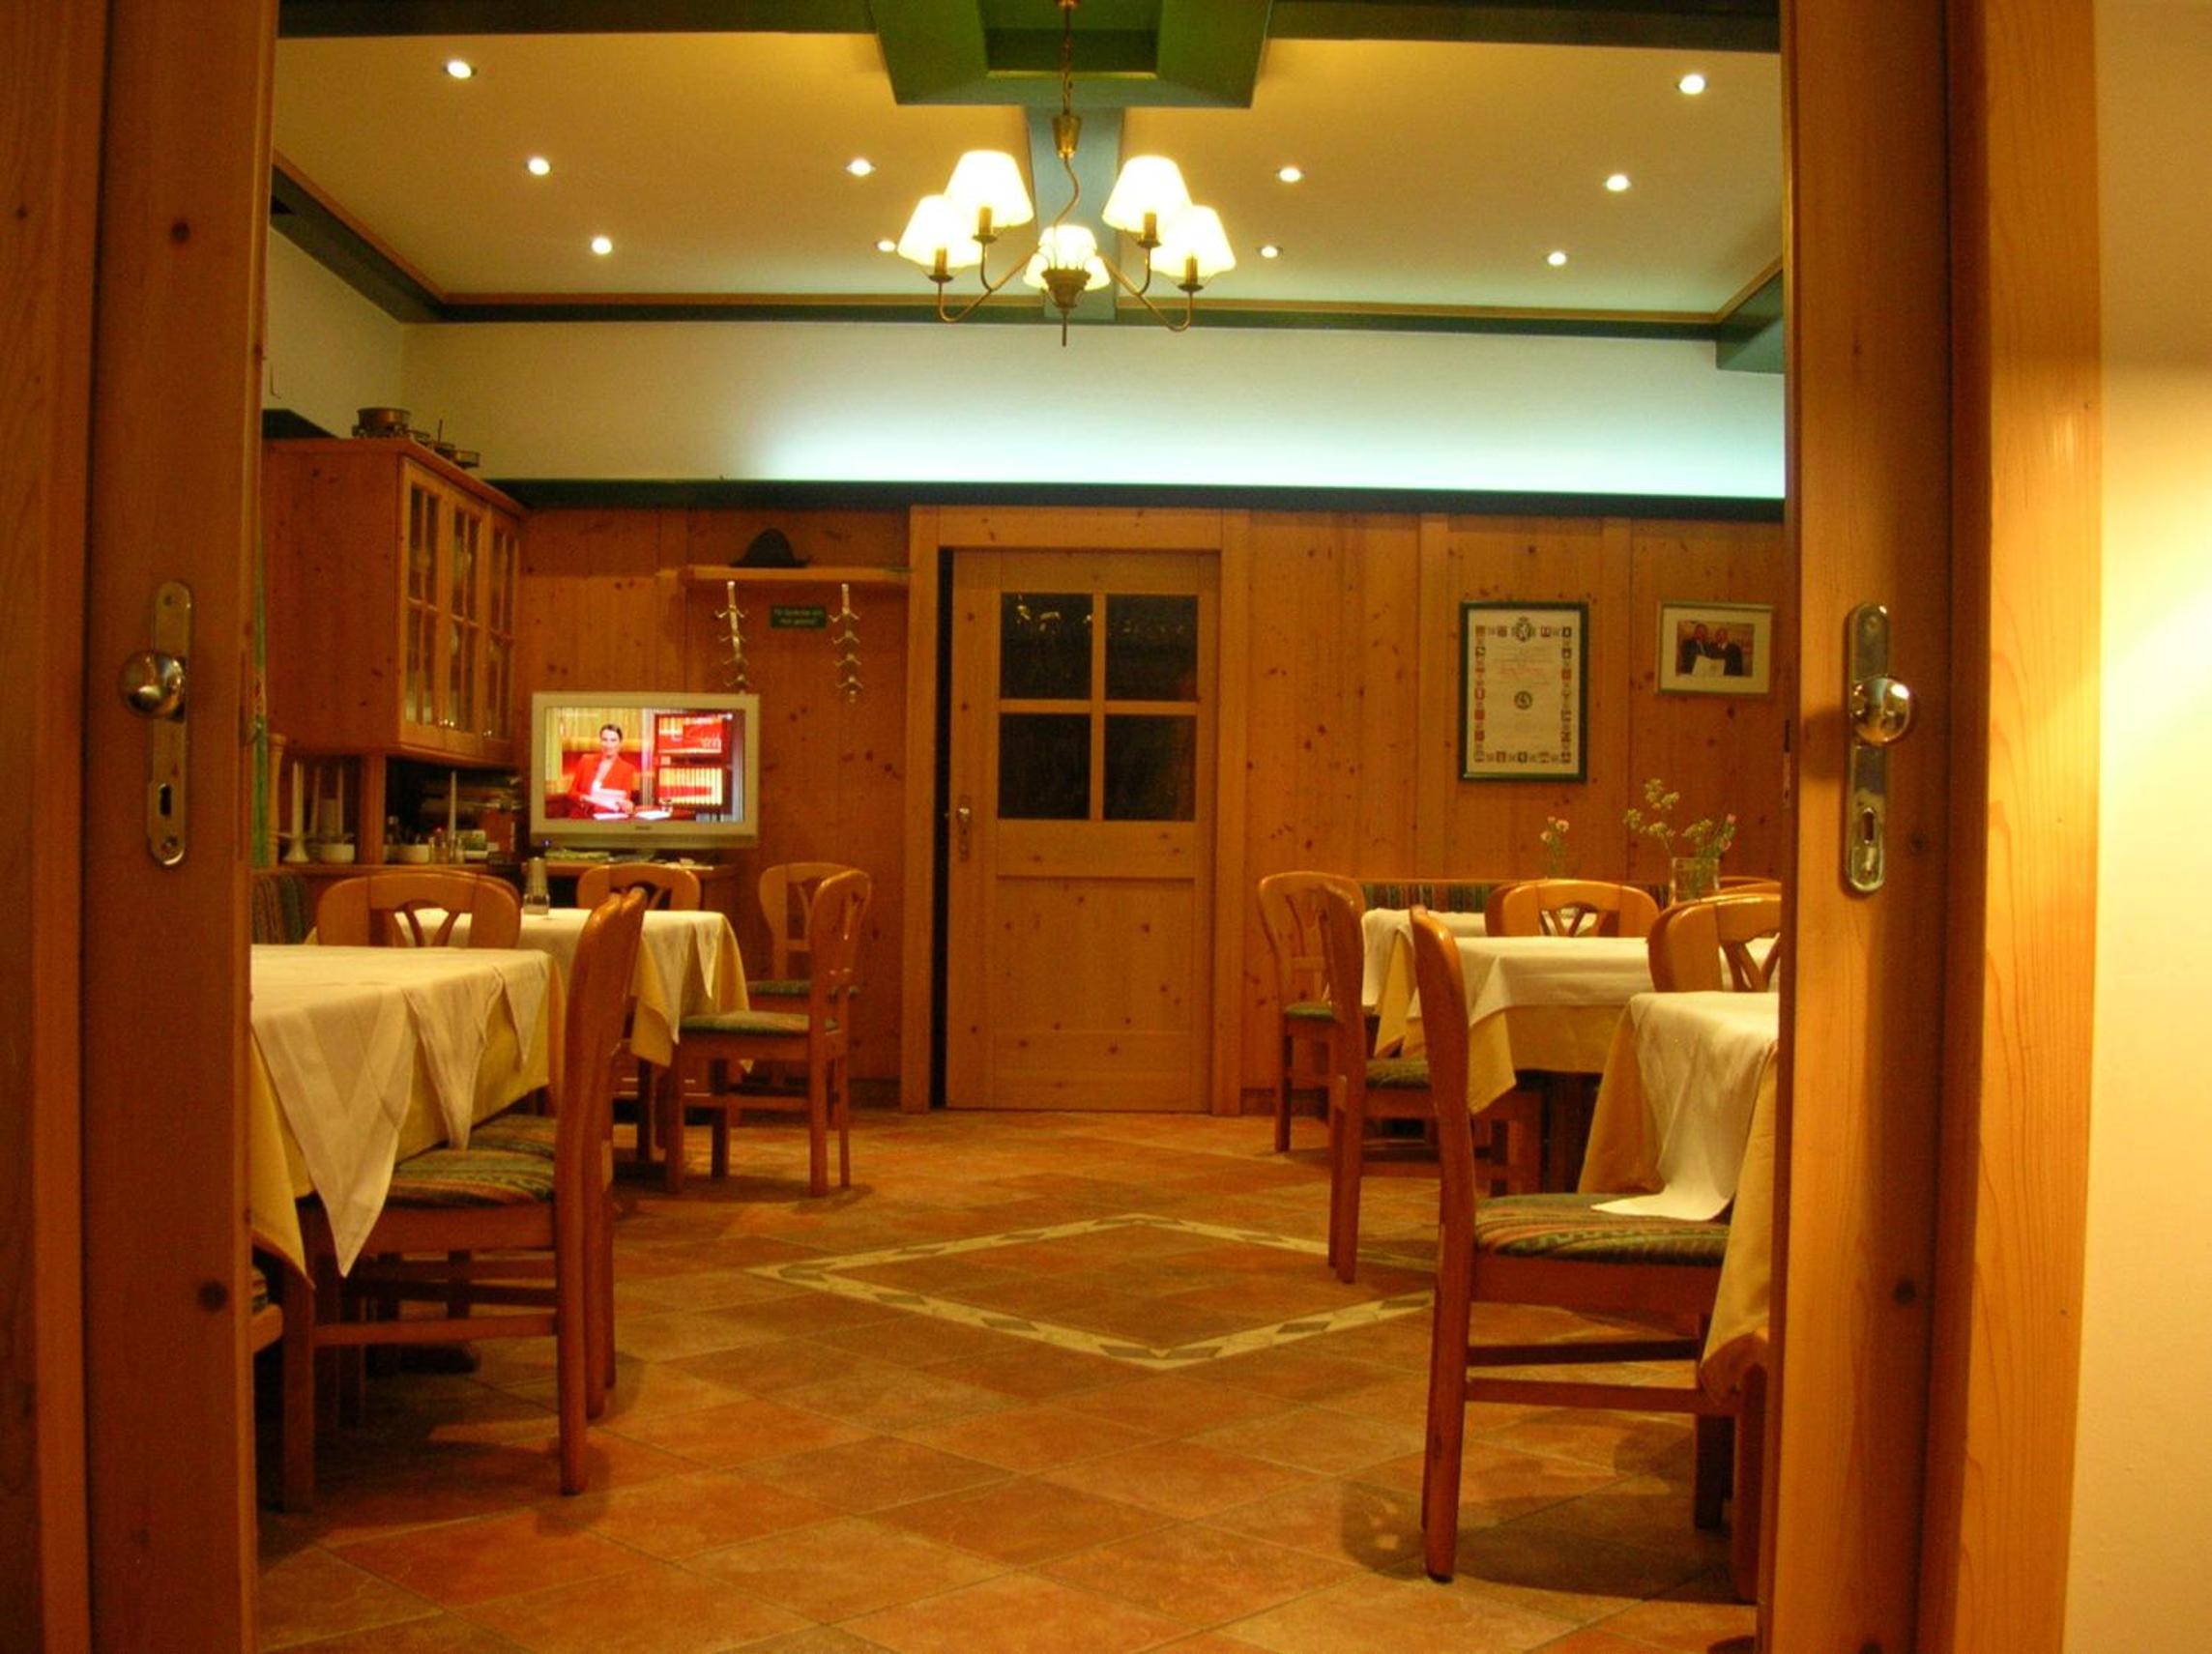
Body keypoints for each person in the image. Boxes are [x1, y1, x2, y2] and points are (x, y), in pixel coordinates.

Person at [567, 723, 640, 816]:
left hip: (606, 819)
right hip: (581, 816)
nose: (608, 745)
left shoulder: (627, 769)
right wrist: (582, 797)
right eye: (605, 740)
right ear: (600, 742)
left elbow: (625, 800)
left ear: (620, 743)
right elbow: (571, 792)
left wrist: (628, 806)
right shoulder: (585, 760)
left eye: (613, 740)